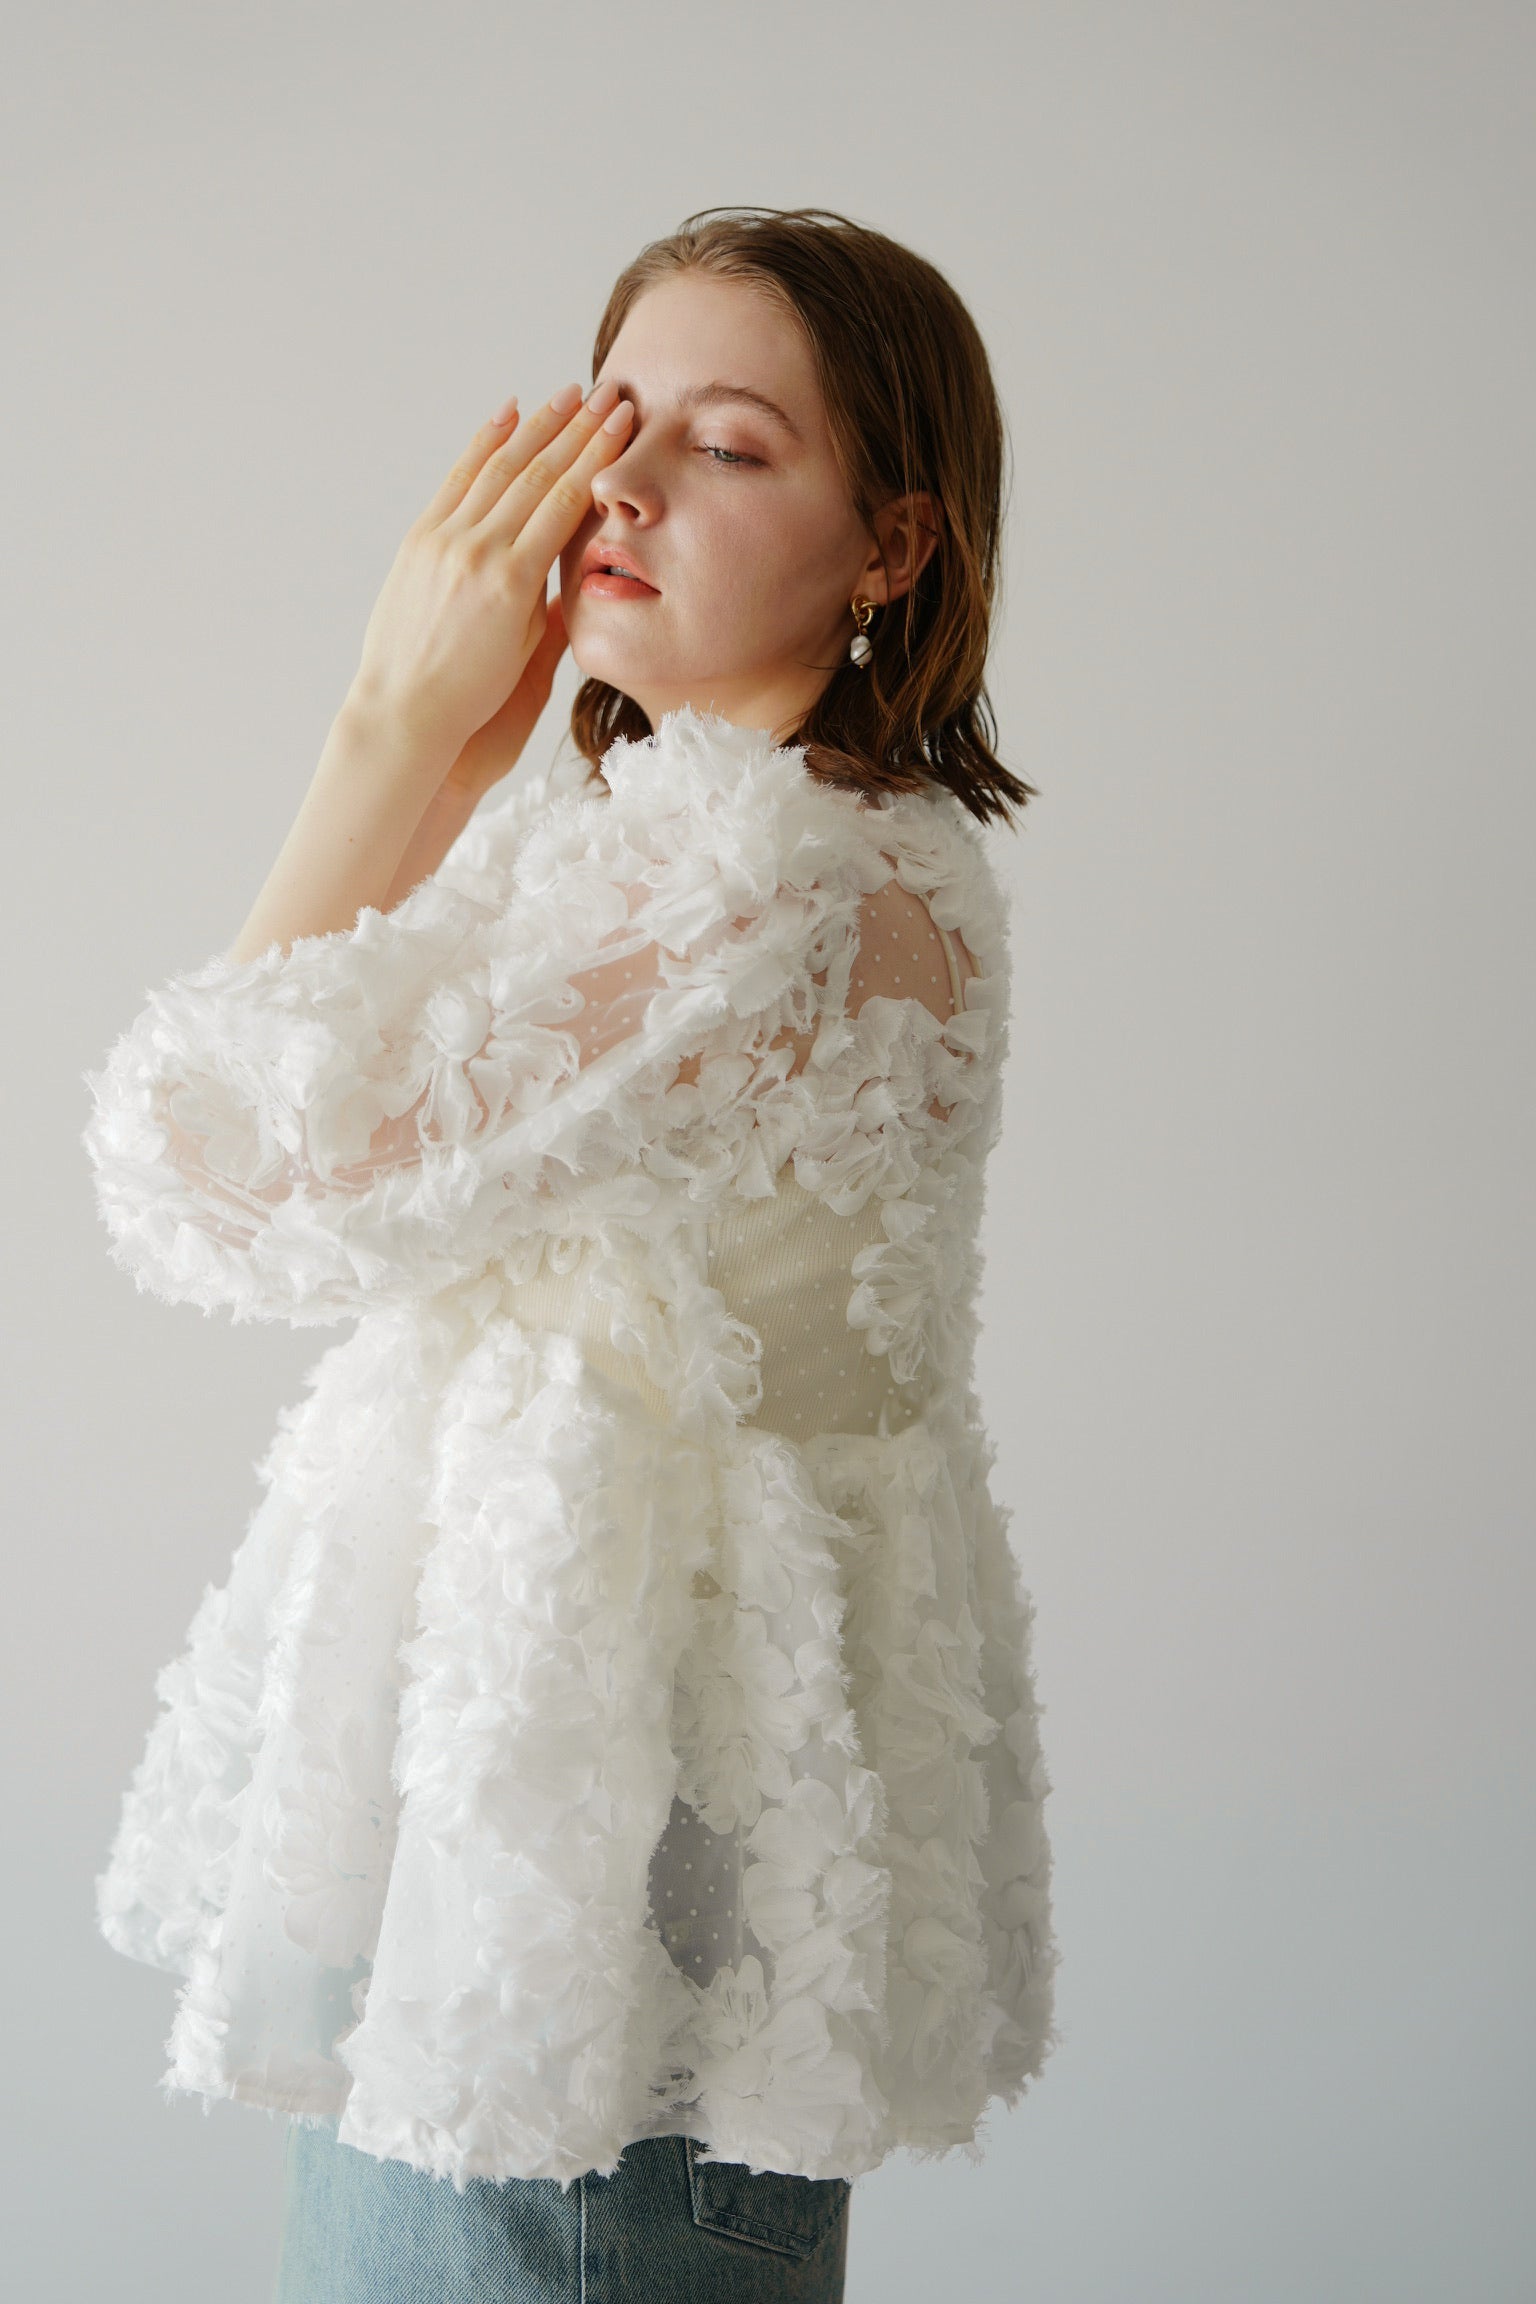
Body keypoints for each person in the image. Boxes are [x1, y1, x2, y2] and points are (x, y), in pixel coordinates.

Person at [83, 206, 1060, 2304]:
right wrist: (458, 769)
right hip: (555, 1885)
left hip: (581, 1927)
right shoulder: (683, 831)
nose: (619, 486)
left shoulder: (756, 879)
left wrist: (386, 727)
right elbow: (300, 1117)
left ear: (891, 545)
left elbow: (213, 1181)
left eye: (729, 444)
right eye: (617, 419)